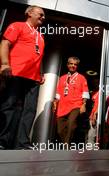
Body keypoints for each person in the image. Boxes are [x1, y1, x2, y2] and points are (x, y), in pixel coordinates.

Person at [0, 5, 45, 149]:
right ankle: (2, 141)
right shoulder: (17, 26)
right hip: (16, 73)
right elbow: (5, 43)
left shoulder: (40, 36)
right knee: (9, 106)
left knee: (30, 111)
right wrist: (5, 64)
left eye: (44, 15)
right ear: (29, 13)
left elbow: (40, 57)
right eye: (40, 14)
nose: (43, 17)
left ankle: (22, 143)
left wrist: (41, 73)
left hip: (34, 79)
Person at [53, 56, 89, 145]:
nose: (73, 66)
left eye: (75, 64)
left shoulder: (81, 78)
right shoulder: (62, 78)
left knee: (71, 124)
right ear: (67, 65)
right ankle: (67, 145)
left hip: (76, 105)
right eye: (71, 64)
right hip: (62, 106)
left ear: (77, 66)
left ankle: (66, 146)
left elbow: (85, 92)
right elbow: (58, 92)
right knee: (60, 130)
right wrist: (55, 102)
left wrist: (83, 104)